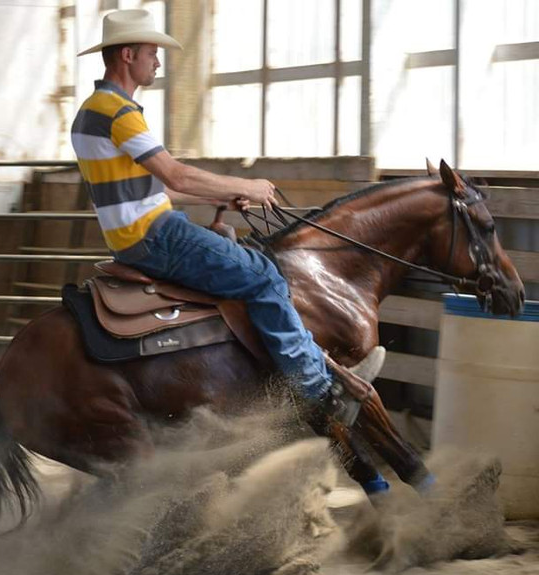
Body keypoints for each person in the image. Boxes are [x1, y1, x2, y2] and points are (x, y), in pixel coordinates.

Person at [72, 9, 384, 432]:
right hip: (155, 235)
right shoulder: (120, 112)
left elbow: (153, 189)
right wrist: (249, 186)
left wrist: (225, 193)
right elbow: (175, 173)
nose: (158, 62)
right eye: (151, 53)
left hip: (131, 236)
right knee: (265, 278)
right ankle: (318, 389)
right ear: (128, 55)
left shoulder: (89, 112)